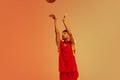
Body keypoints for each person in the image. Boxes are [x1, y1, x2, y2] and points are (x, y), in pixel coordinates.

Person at [49, 14, 80, 80]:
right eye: (62, 33)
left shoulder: (72, 44)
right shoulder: (60, 44)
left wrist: (64, 21)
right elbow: (57, 33)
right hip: (63, 73)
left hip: (73, 72)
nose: (63, 34)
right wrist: (55, 21)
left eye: (65, 33)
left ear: (68, 35)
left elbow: (70, 33)